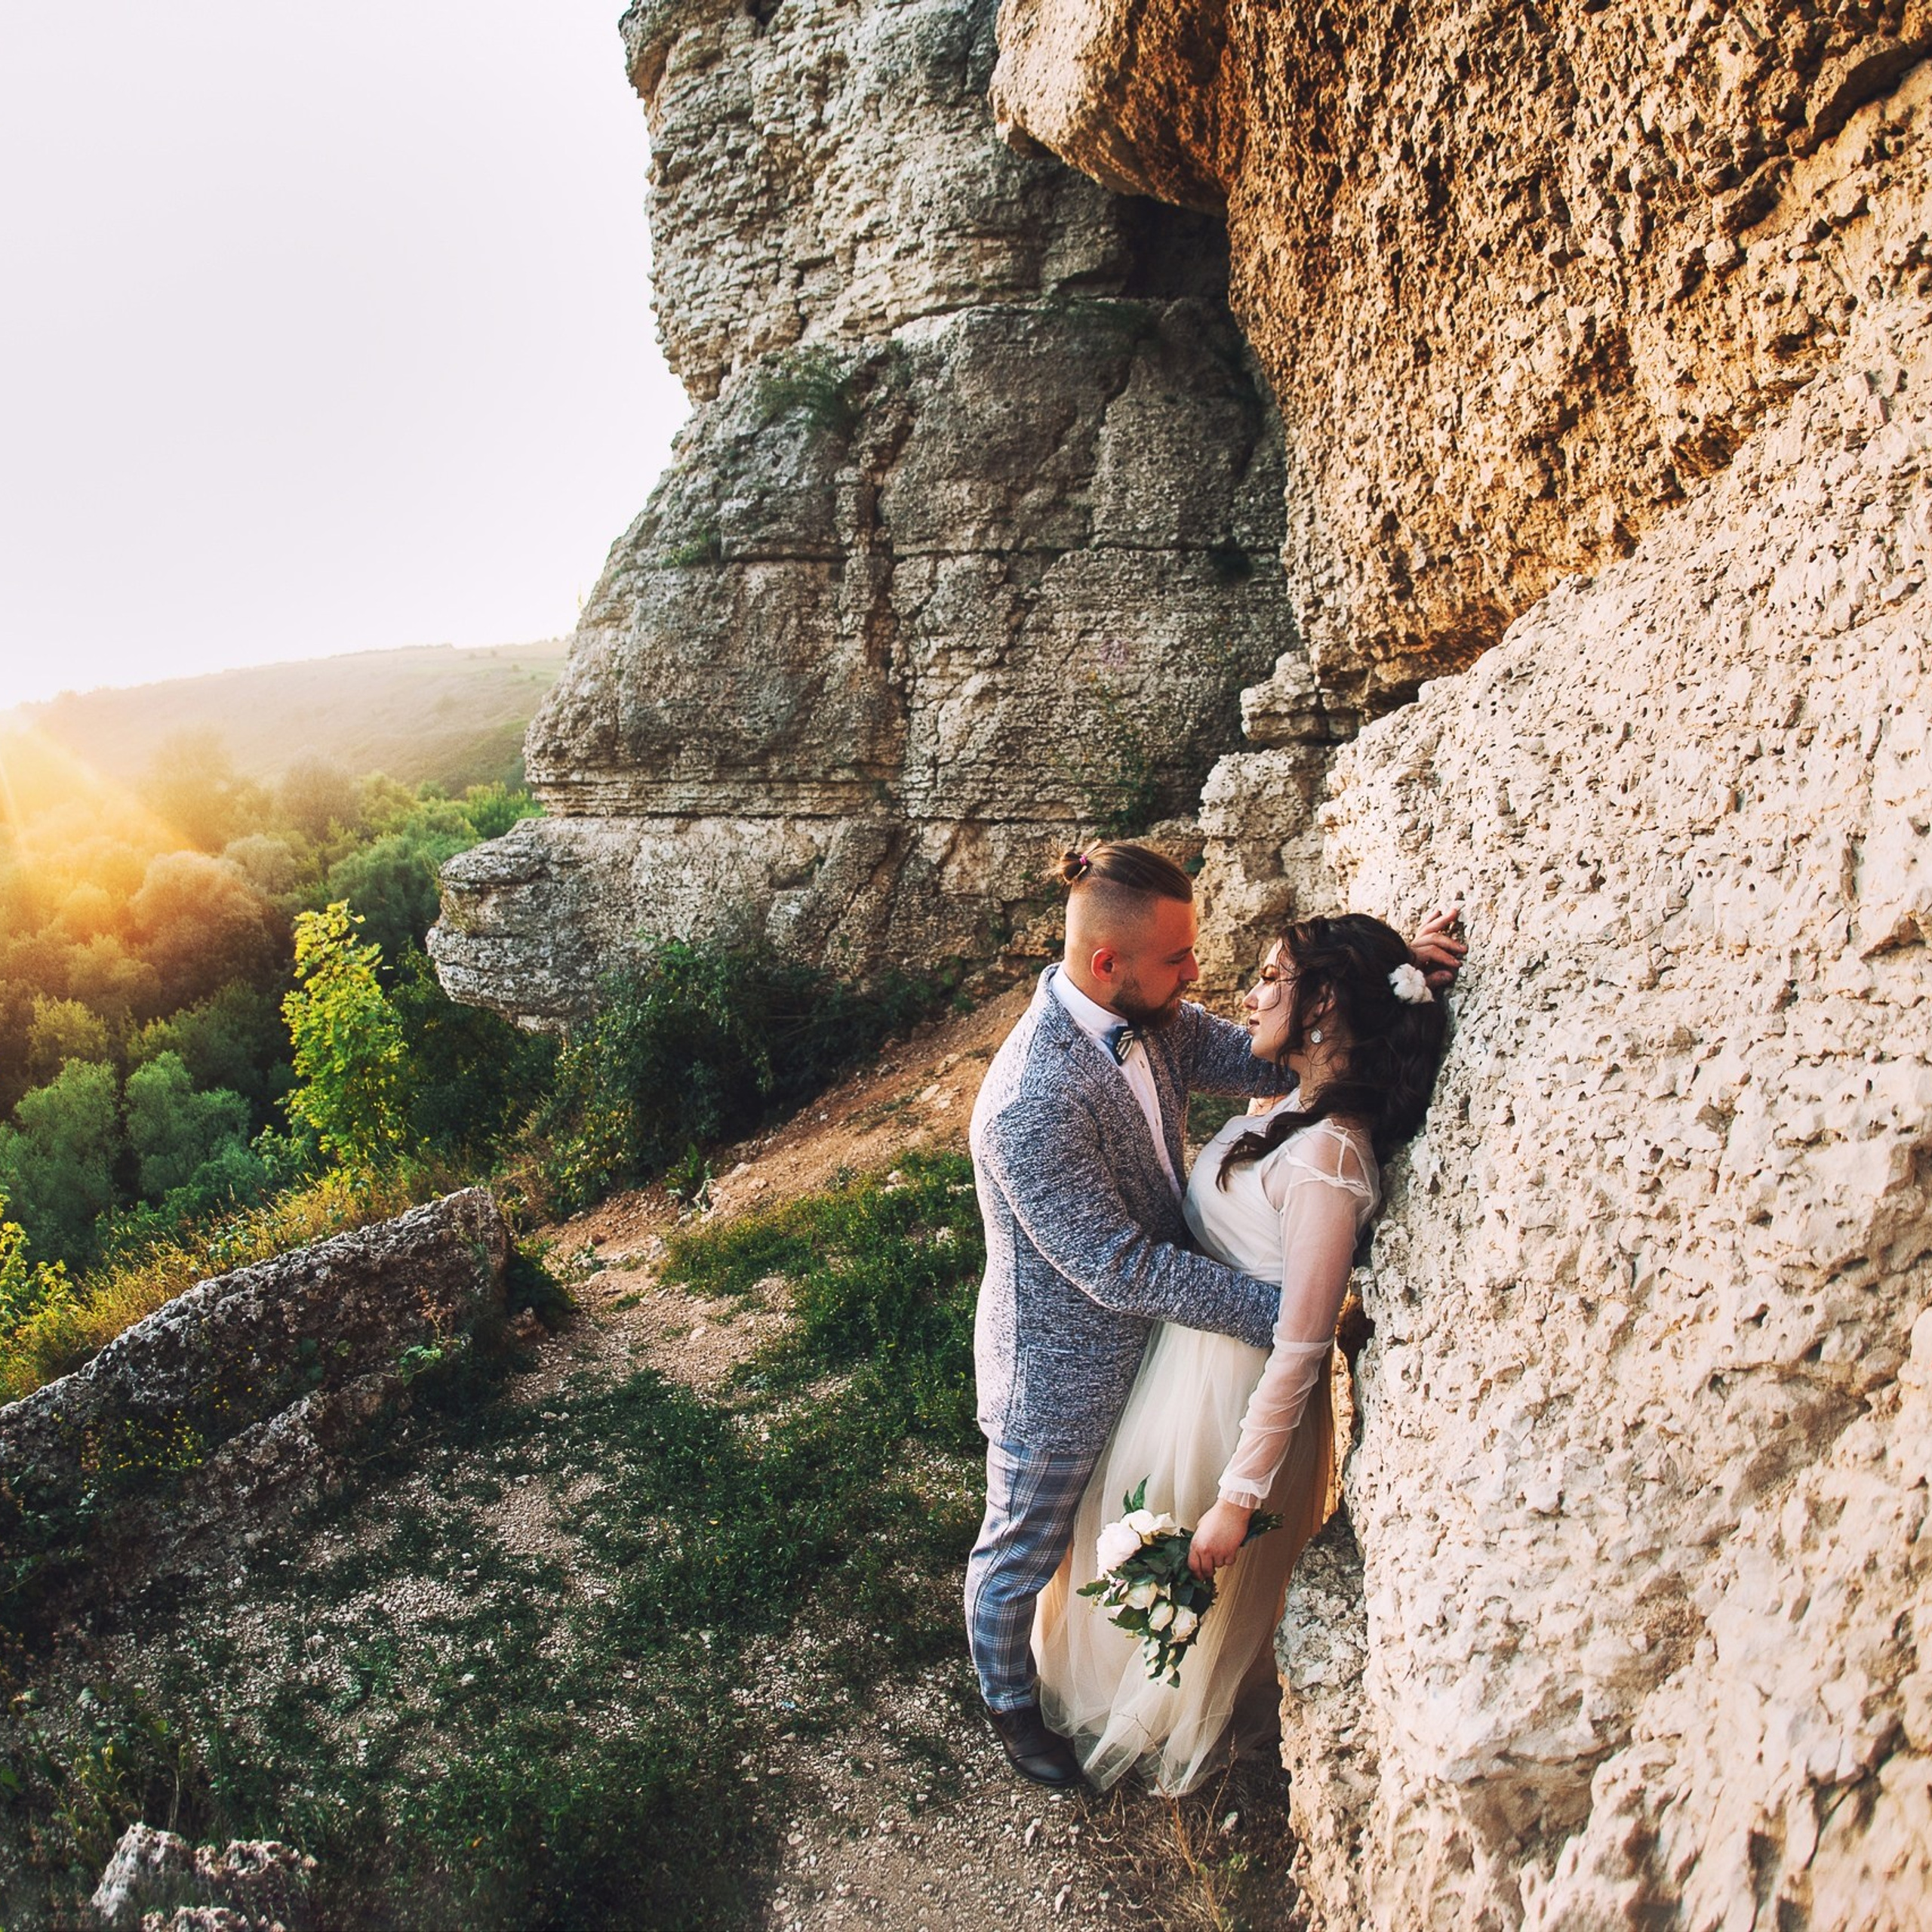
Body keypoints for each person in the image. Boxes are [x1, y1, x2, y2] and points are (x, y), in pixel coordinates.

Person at [965, 843, 1462, 1786]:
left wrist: (1392, 984)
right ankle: (1008, 1702)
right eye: (1177, 960)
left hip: (1166, 1349)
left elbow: (1286, 1054)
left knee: (1111, 1535)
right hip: (1061, 1365)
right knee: (1024, 1543)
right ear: (1108, 963)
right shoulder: (1030, 1100)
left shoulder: (1148, 1017)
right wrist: (1288, 1317)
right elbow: (1115, 1267)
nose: (1197, 976)